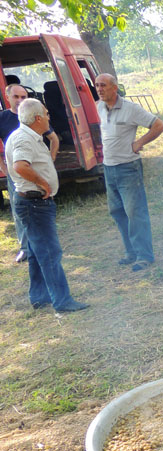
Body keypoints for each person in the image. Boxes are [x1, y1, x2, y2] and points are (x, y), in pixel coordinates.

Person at [5, 99, 88, 312]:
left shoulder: (27, 135)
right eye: (46, 113)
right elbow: (20, 166)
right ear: (38, 118)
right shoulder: (24, 138)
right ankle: (62, 301)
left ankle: (40, 297)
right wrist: (42, 183)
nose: (49, 117)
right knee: (50, 252)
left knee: (35, 250)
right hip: (34, 203)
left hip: (31, 203)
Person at [95, 73, 163, 272]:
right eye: (97, 85)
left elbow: (159, 125)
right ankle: (131, 252)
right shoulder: (99, 106)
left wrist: (140, 142)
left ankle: (144, 256)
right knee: (117, 211)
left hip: (128, 168)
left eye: (103, 85)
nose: (99, 89)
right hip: (109, 168)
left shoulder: (130, 108)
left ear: (114, 87)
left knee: (135, 212)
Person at [1, 83, 60, 263]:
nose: (20, 100)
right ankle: (25, 248)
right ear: (7, 97)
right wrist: (4, 169)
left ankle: (42, 244)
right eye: (16, 97)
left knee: (42, 210)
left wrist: (50, 159)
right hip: (17, 174)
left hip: (34, 171)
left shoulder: (34, 116)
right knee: (19, 211)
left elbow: (53, 138)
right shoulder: (3, 118)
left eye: (23, 97)